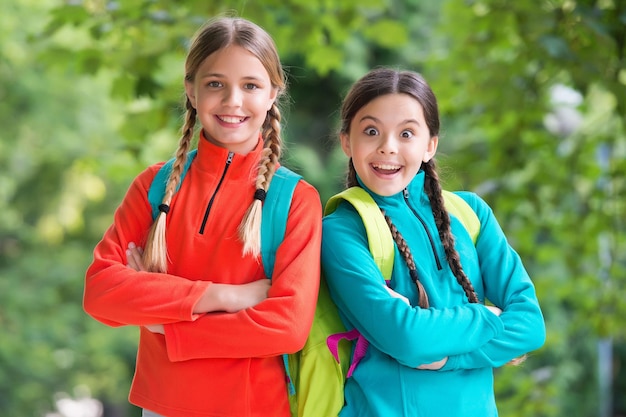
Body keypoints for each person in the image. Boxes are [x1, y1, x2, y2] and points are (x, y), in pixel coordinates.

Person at [83, 16, 322, 417]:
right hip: (161, 407)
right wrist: (227, 297)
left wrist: (167, 323)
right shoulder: (153, 186)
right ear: (191, 91)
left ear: (272, 94)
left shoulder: (295, 200)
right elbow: (102, 292)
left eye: (250, 85)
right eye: (215, 84)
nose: (232, 101)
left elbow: (287, 326)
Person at [321, 67, 546, 416]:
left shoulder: (471, 213)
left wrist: (443, 358)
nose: (388, 147)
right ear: (347, 141)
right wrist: (488, 315)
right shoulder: (343, 229)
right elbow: (406, 338)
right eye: (371, 131)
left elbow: (531, 325)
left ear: (430, 145)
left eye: (407, 133)